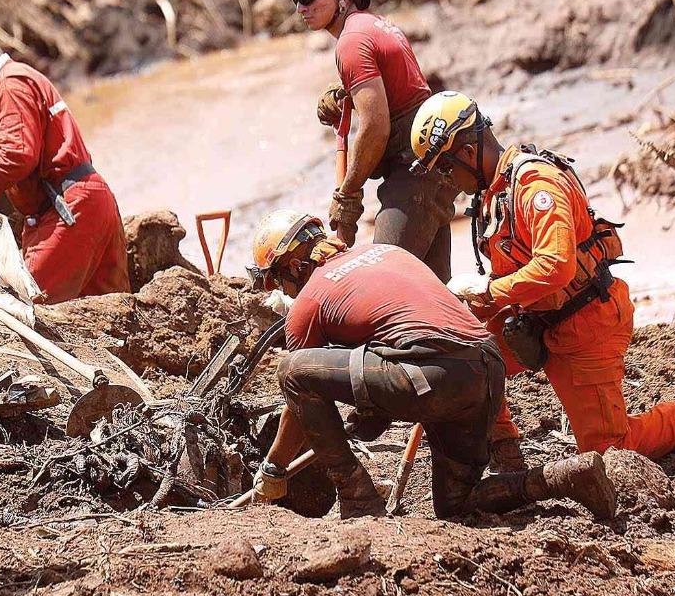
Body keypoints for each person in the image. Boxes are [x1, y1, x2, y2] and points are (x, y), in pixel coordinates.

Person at [408, 91, 675, 469]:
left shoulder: (536, 186)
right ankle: (506, 455)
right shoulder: (494, 193)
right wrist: (471, 307)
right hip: (537, 319)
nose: (448, 180)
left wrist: (488, 290)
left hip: (585, 323)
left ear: (468, 152)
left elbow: (556, 266)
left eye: (445, 168)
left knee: (610, 448)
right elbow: (519, 270)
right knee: (466, 355)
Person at [246, 209, 618, 521]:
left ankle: (358, 499)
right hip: (486, 368)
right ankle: (562, 477)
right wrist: (373, 411)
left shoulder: (309, 300)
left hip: (435, 373)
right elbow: (392, 339)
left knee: (291, 370)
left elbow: (298, 397)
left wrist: (273, 468)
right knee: (456, 504)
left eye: (278, 282)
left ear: (294, 266)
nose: (285, 293)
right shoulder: (387, 252)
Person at [0, 7, 131, 303]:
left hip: (67, 210)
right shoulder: (15, 81)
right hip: (87, 201)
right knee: (113, 311)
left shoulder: (9, 85)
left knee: (30, 306)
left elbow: (17, 155)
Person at [283, 0, 457, 280]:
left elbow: (376, 127)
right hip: (431, 165)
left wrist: (348, 194)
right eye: (296, 1)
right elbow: (397, 92)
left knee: (384, 278)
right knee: (435, 288)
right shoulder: (372, 25)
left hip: (414, 170)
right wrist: (344, 92)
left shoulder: (351, 41)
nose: (301, 8)